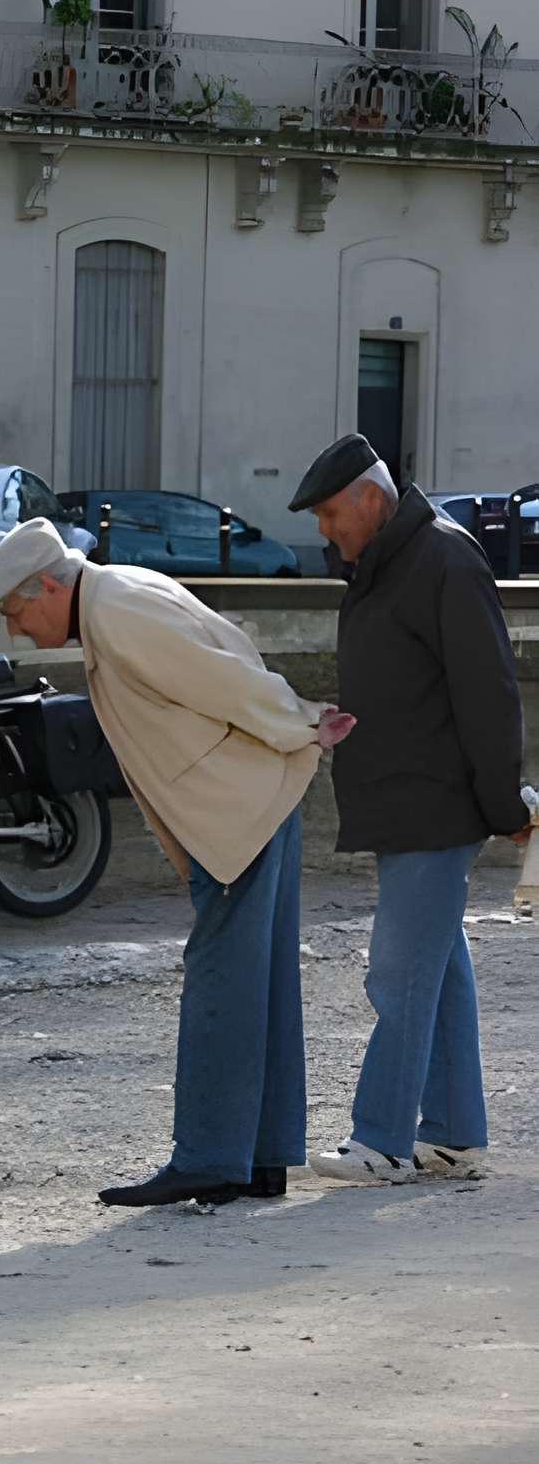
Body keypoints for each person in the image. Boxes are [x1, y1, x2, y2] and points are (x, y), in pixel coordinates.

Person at [0, 518, 354, 1207]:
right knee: (255, 981)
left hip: (236, 810)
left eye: (15, 610)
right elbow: (230, 658)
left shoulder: (115, 609)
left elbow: (224, 679)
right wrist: (295, 725)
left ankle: (211, 1155)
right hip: (250, 801)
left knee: (220, 979)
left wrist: (299, 720)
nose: (17, 630)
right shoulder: (118, 596)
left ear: (50, 586)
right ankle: (257, 1158)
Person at [289, 434, 530, 1184]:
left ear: (370, 497)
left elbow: (490, 697)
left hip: (434, 809)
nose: (325, 531)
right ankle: (453, 1134)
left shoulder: (444, 558)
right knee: (436, 969)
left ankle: (382, 1141)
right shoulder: (393, 562)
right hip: (409, 806)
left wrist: (502, 806)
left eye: (331, 514)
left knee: (397, 977)